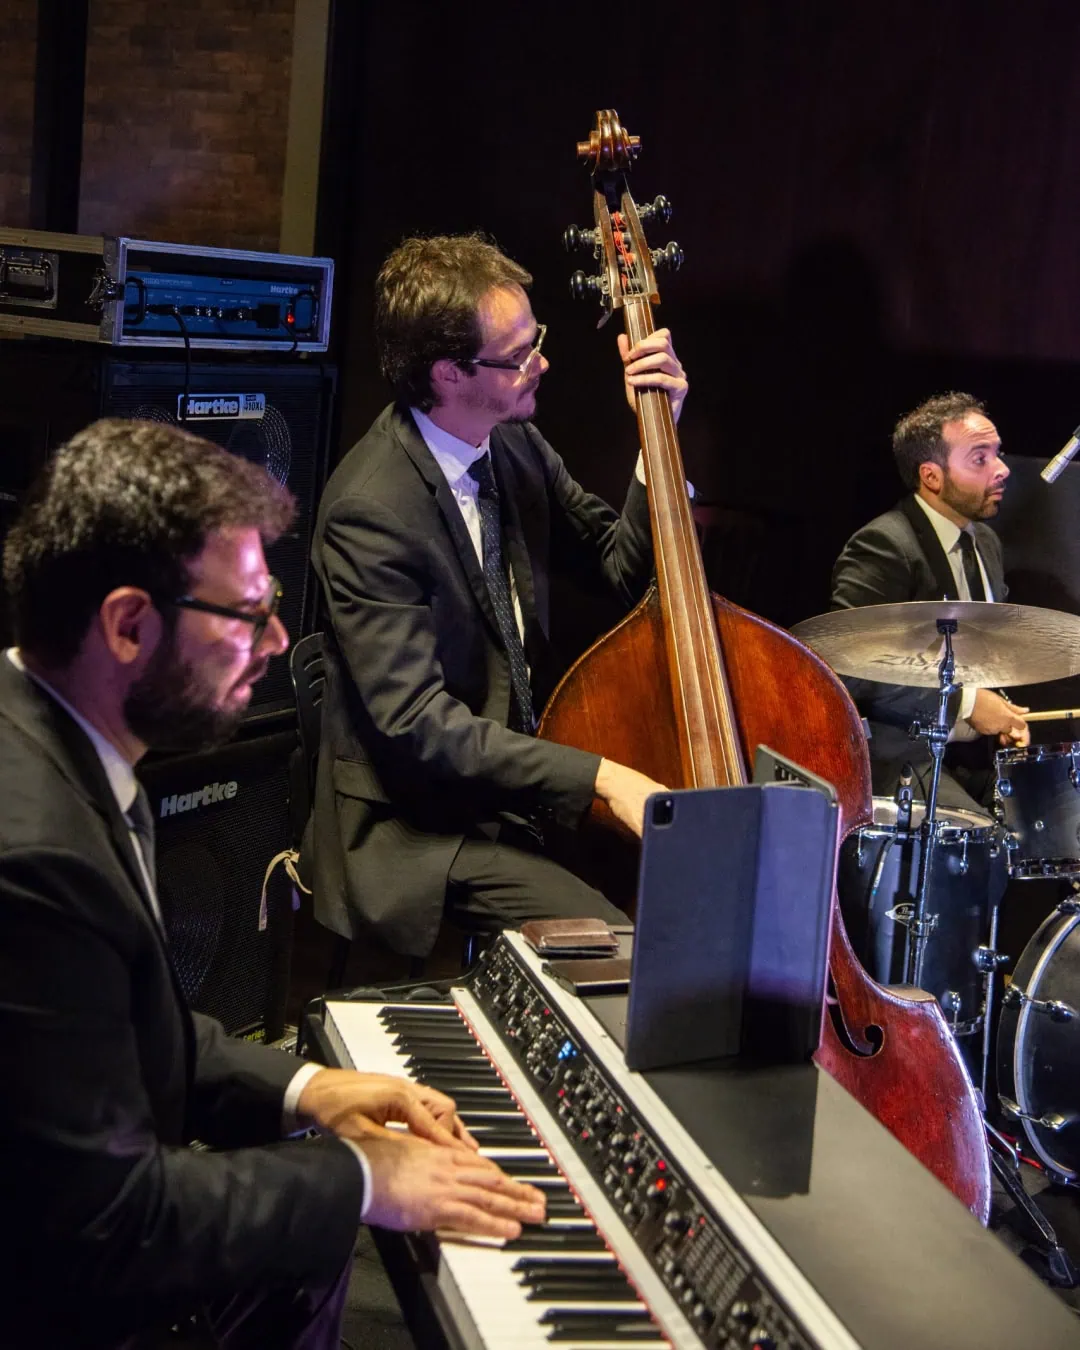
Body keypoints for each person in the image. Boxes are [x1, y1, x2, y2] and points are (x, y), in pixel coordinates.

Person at [0, 418, 545, 1350]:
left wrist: (311, 1088)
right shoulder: (34, 858)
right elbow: (107, 1223)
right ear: (128, 625)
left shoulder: (57, 743)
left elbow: (133, 1039)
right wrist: (364, 1178)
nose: (279, 640)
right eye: (250, 613)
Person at [311, 234, 688, 957]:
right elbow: (417, 724)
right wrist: (601, 776)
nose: (541, 362)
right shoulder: (371, 510)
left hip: (507, 795)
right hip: (421, 827)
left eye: (535, 339)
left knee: (685, 898)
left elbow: (618, 570)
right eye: (518, 355)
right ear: (449, 373)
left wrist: (657, 436)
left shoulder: (514, 445)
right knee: (617, 947)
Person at [830, 391, 1029, 811]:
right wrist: (968, 705)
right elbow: (851, 665)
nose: (1002, 469)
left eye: (997, 454)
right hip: (903, 756)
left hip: (974, 758)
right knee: (978, 839)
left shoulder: (986, 543)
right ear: (932, 476)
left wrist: (1002, 712)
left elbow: (982, 655)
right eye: (980, 458)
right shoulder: (885, 545)